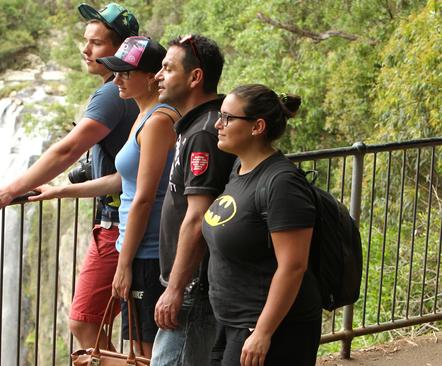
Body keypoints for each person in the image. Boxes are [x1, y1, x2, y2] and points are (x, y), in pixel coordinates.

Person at [0, 2, 140, 349]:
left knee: (85, 324)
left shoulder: (112, 94)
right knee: (136, 337)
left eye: (96, 43)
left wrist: (11, 190)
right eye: (85, 40)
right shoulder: (131, 90)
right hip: (127, 218)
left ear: (120, 49)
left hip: (118, 226)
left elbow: (67, 150)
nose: (85, 49)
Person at [29, 36, 179, 358]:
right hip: (138, 249)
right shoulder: (143, 115)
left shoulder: (158, 120)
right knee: (139, 348)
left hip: (149, 252)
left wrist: (123, 264)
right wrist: (61, 190)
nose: (118, 79)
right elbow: (123, 180)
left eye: (126, 73)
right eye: (117, 72)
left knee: (148, 351)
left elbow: (142, 197)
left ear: (152, 76)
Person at [202, 84, 322, 366]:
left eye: (228, 118)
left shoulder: (281, 183)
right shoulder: (240, 168)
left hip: (271, 328)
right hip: (232, 322)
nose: (218, 124)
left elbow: (293, 266)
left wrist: (263, 332)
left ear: (257, 127)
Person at [150, 34, 236, 365]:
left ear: (195, 77)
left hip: (192, 288)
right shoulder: (196, 124)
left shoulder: (203, 133)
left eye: (167, 69)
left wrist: (175, 288)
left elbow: (199, 216)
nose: (158, 76)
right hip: (189, 284)